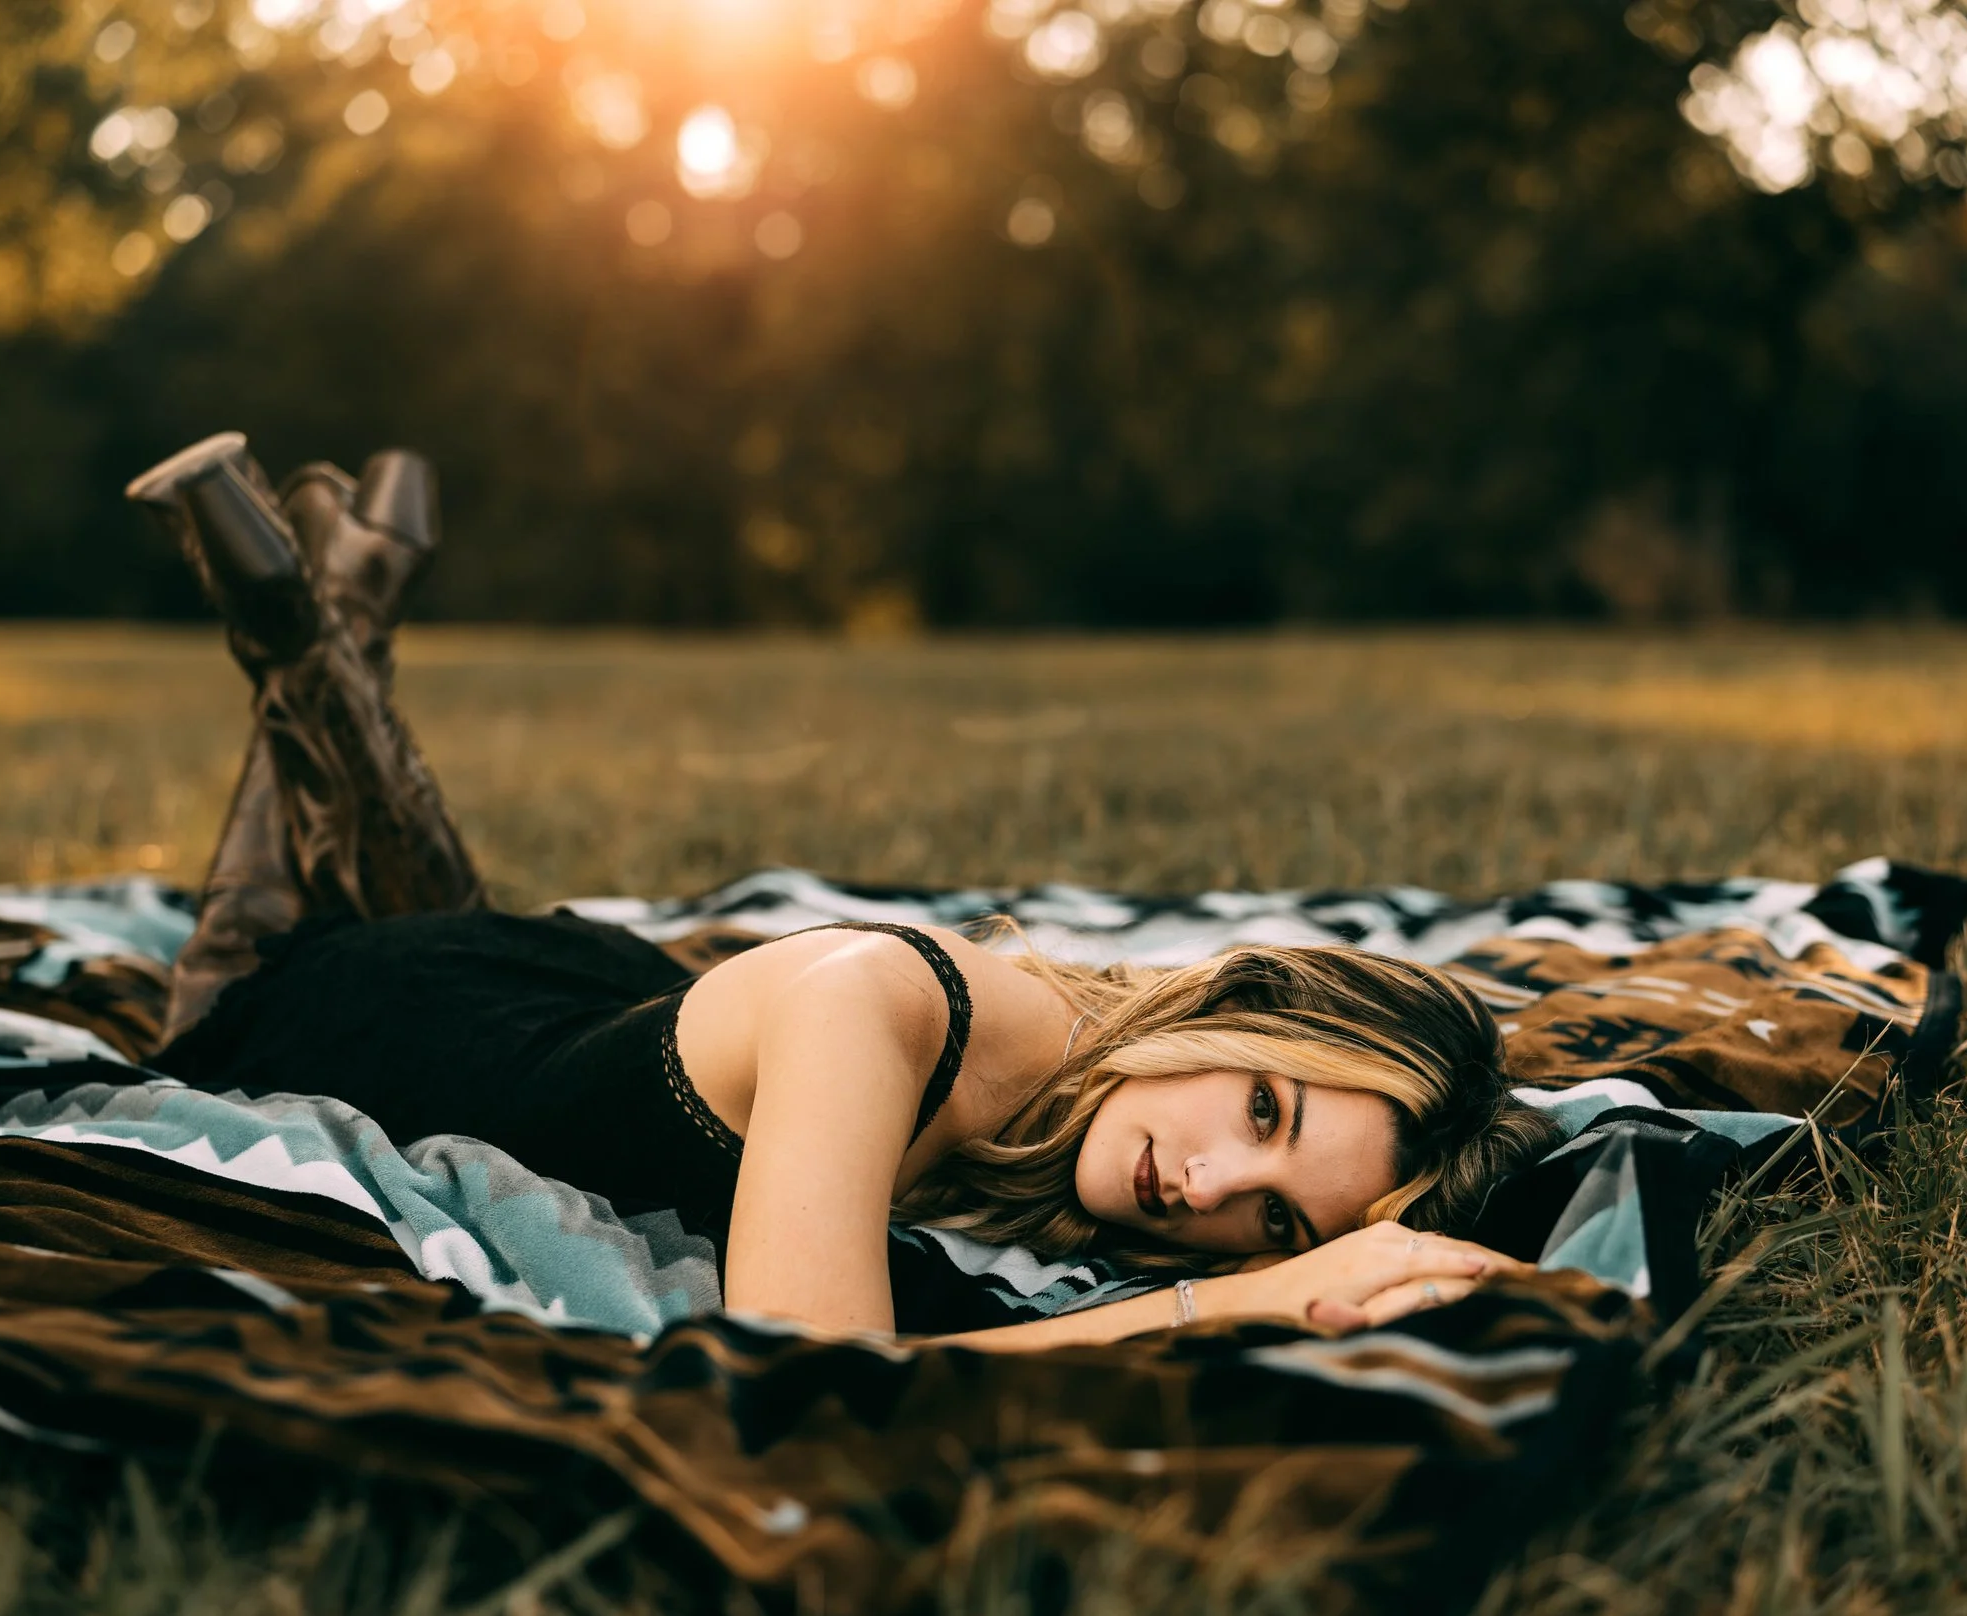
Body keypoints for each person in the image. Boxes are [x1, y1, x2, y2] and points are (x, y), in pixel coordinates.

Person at [127, 435, 1552, 1349]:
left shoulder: (1067, 1079)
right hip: (358, 1028)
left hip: (549, 993)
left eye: (1279, 1222)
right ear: (1241, 1011)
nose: (1212, 1186)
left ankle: (345, 612)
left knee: (406, 909)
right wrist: (1223, 1299)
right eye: (1262, 1111)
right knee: (252, 966)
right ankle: (318, 631)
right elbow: (808, 1383)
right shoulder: (882, 1007)